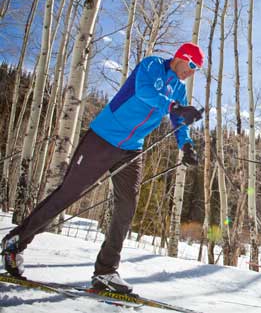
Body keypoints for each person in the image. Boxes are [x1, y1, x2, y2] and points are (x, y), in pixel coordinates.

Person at [1, 42, 205, 294]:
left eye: (197, 70)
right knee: (67, 194)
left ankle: (106, 272)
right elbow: (144, 91)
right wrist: (175, 107)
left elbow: (179, 122)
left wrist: (186, 145)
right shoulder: (153, 65)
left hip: (132, 148)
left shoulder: (179, 90)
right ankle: (16, 242)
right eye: (192, 65)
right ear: (180, 58)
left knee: (126, 206)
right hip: (102, 138)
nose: (192, 72)